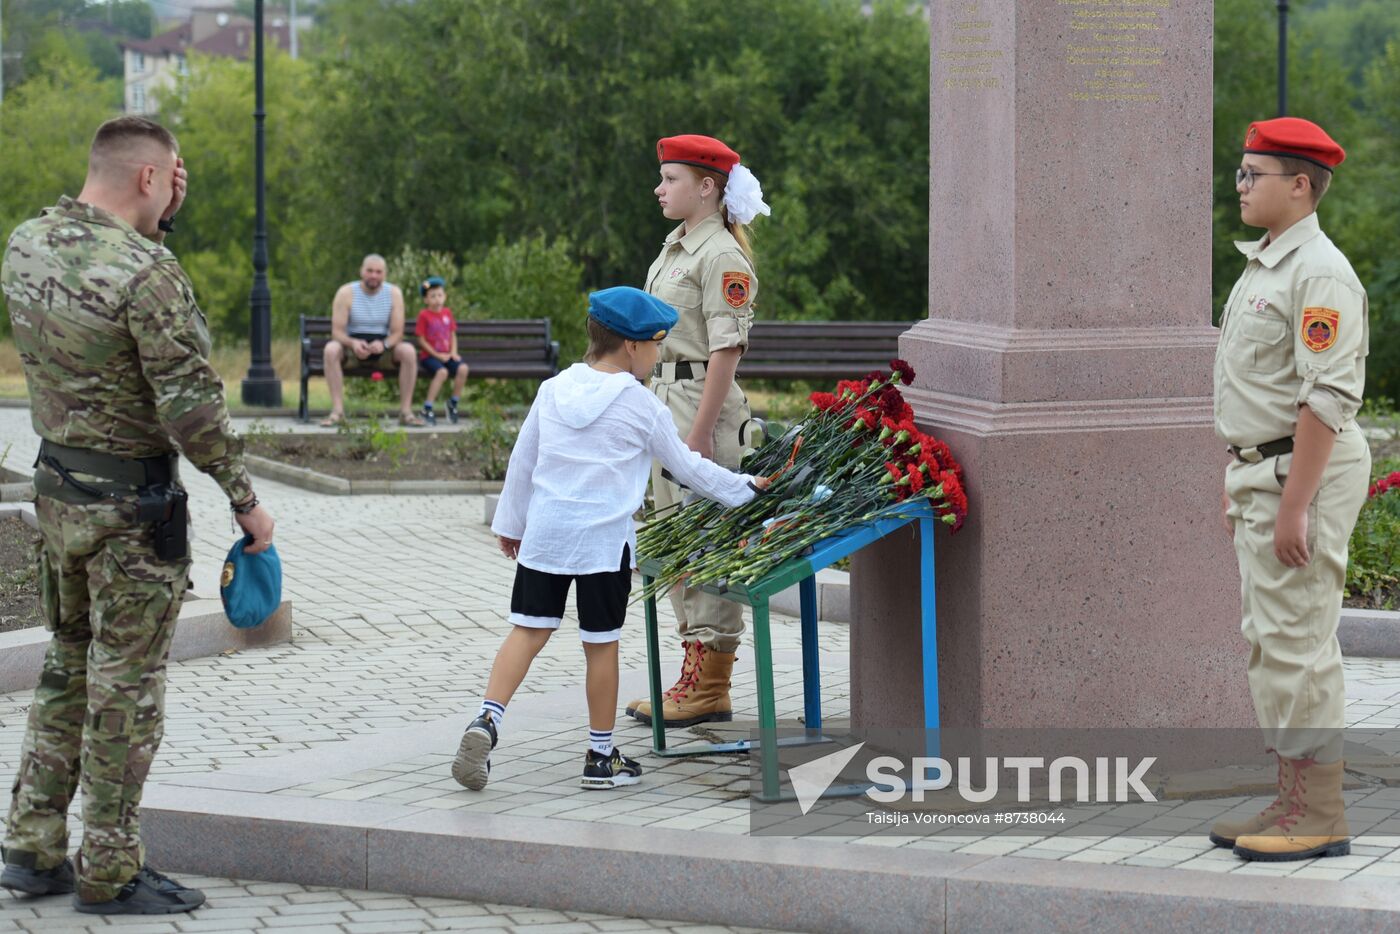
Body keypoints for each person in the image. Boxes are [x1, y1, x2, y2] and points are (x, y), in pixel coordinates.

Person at [0, 116, 276, 914]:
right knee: (127, 690)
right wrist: (246, 502)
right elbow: (189, 403)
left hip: (57, 493)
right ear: (152, 178)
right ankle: (111, 870)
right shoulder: (146, 271)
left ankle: (31, 844)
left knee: (66, 665)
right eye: (172, 175)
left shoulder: (26, 242)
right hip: (133, 511)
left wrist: (159, 231)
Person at [453, 287, 767, 792]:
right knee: (600, 646)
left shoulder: (552, 390)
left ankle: (486, 720)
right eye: (656, 344)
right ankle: (601, 758)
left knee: (528, 631)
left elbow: (522, 461)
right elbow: (689, 470)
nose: (659, 353)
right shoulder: (642, 405)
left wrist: (511, 525)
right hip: (602, 545)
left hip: (547, 536)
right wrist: (746, 489)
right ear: (630, 347)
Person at [1208, 117, 1370, 862]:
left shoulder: (1320, 273)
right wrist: (1239, 474)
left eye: (1253, 174)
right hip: (1265, 470)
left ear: (1300, 185)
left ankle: (1320, 814)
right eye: (1240, 173)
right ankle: (1292, 798)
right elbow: (1257, 389)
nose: (1239, 186)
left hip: (1298, 471)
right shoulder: (1267, 265)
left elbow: (1325, 399)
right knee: (1272, 643)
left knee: (1298, 643)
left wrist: (1295, 503)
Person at [625, 134, 770, 729]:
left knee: (706, 542)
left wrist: (702, 433)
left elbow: (725, 349)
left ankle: (710, 686)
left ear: (707, 187)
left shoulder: (721, 257)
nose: (660, 189)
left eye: (672, 179)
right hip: (665, 399)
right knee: (672, 539)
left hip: (699, 408)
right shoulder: (675, 248)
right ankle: (693, 678)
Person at [321, 254, 424, 427]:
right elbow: (337, 332)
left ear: (385, 274)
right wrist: (353, 343)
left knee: (408, 351)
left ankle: (406, 412)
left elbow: (398, 333)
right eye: (369, 271)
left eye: (378, 272)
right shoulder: (346, 292)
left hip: (384, 348)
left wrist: (384, 345)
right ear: (361, 271)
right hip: (352, 348)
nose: (373, 275)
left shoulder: (394, 293)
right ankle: (337, 412)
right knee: (331, 349)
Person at [414, 276, 469, 426]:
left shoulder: (447, 313)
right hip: (430, 356)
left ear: (444, 296)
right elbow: (421, 340)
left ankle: (453, 403)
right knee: (442, 373)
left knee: (463, 368)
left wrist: (453, 352)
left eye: (439, 295)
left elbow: (452, 334)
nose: (437, 299)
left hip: (447, 355)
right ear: (426, 300)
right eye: (432, 296)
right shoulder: (424, 315)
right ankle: (427, 407)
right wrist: (437, 355)